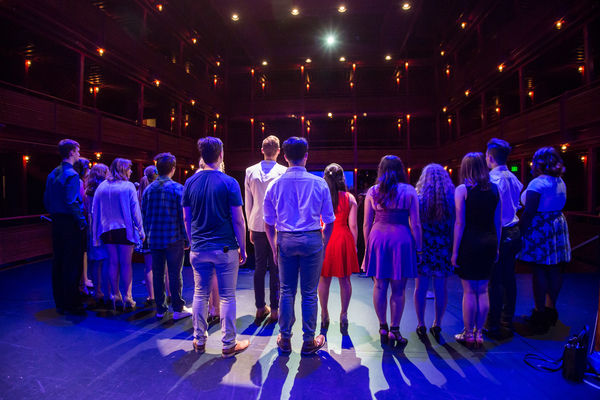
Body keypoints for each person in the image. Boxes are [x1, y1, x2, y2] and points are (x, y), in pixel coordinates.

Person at [264, 136, 335, 355]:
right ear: (306, 156)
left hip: (285, 238)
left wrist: (274, 244)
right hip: (312, 238)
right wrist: (324, 242)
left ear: (284, 157)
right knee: (309, 293)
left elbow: (268, 223)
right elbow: (329, 220)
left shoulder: (275, 185)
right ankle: (308, 341)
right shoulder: (319, 183)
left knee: (286, 291)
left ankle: (285, 340)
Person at [183, 137, 250, 357]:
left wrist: (194, 243)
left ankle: (199, 341)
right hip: (225, 248)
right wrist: (242, 246)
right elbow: (238, 220)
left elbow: (187, 218)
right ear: (221, 154)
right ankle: (228, 344)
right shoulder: (229, 182)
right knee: (227, 297)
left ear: (202, 156)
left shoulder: (190, 183)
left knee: (200, 295)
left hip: (199, 248)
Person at [363, 155, 422, 347]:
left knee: (379, 286)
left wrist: (368, 249)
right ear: (400, 170)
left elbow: (366, 224)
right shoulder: (410, 191)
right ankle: (394, 330)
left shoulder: (373, 191)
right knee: (399, 288)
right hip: (401, 239)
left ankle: (382, 326)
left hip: (378, 238)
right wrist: (419, 250)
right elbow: (416, 224)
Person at [518, 147, 571, 331]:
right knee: (555, 267)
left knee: (539, 268)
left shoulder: (537, 184)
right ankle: (551, 309)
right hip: (557, 224)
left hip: (541, 226)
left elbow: (529, 212)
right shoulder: (560, 182)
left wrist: (519, 232)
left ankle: (539, 312)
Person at [451, 152, 501, 345]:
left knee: (469, 291)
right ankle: (479, 333)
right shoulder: (495, 190)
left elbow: (459, 224)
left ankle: (468, 333)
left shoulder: (462, 190)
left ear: (465, 169)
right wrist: (496, 247)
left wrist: (455, 252)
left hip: (469, 242)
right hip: (489, 241)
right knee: (483, 290)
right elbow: (498, 222)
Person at [143, 153, 191, 320]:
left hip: (154, 238)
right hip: (174, 238)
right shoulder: (178, 188)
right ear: (173, 169)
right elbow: (182, 216)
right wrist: (187, 237)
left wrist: (147, 237)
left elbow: (145, 216)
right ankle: (178, 308)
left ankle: (160, 309)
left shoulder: (148, 190)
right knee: (174, 273)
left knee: (157, 273)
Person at [92, 158, 145, 310]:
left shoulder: (101, 186)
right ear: (123, 169)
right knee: (126, 264)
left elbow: (94, 210)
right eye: (129, 168)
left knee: (113, 263)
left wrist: (95, 233)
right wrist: (141, 231)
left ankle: (115, 295)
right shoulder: (128, 186)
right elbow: (135, 211)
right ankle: (128, 296)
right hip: (124, 229)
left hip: (106, 231)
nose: (131, 171)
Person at [484, 139, 523, 338]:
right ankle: (507, 320)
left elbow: (492, 212)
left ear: (490, 157)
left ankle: (493, 324)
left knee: (495, 281)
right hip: (514, 232)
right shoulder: (514, 178)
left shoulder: (492, 180)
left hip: (500, 232)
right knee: (509, 278)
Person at [245, 135, 287, 323]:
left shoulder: (250, 171)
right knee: (275, 267)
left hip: (257, 223)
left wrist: (249, 227)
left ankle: (260, 308)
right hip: (278, 225)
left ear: (262, 150)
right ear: (279, 151)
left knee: (259, 267)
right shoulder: (284, 171)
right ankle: (276, 310)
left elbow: (248, 202)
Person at [44, 139, 87, 315]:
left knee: (58, 262)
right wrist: (82, 222)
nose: (79, 153)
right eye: (77, 150)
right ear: (71, 152)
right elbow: (71, 201)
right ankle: (72, 303)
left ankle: (60, 303)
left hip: (56, 221)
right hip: (70, 222)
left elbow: (46, 200)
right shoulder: (72, 174)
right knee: (72, 263)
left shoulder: (53, 173)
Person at [413, 163, 455, 340]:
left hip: (424, 247)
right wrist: (452, 247)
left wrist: (418, 249)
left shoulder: (419, 199)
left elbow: (415, 225)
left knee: (420, 288)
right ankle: (437, 323)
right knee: (441, 289)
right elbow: (454, 226)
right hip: (443, 247)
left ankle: (421, 324)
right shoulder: (451, 200)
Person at [318, 163, 359, 333]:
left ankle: (324, 314)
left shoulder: (321, 196)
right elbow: (354, 225)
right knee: (345, 280)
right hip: (343, 238)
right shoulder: (350, 198)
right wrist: (354, 246)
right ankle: (343, 314)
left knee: (324, 279)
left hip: (324, 238)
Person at [84, 163, 110, 307]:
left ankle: (97, 292)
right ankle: (106, 292)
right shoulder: (104, 191)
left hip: (90, 230)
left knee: (94, 261)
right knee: (105, 260)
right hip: (101, 228)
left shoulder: (87, 192)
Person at [137, 165, 161, 306]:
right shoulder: (155, 191)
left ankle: (151, 296)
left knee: (149, 267)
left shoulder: (141, 191)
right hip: (158, 231)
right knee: (163, 267)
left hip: (146, 232)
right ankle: (167, 294)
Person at [74, 158, 93, 294]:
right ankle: (82, 282)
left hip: (80, 220)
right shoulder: (79, 181)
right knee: (81, 252)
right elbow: (80, 202)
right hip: (80, 221)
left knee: (83, 252)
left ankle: (84, 279)